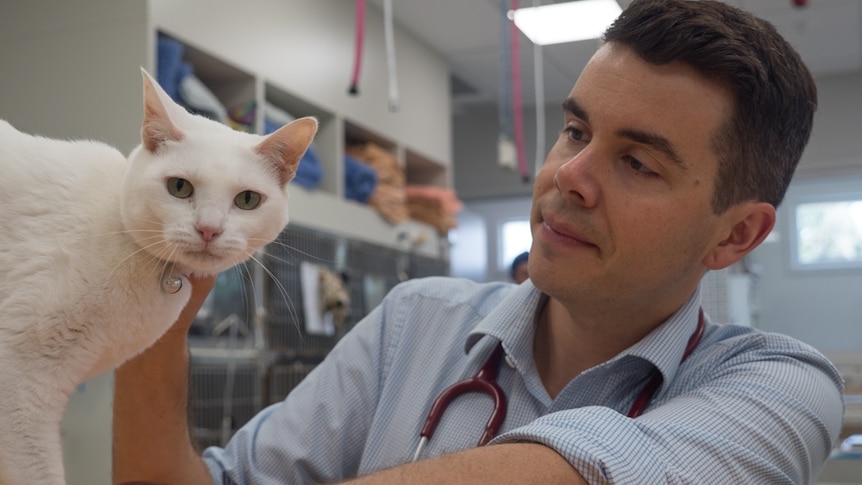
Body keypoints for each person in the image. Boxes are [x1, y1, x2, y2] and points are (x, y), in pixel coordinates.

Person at [113, 1, 845, 483]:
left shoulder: (779, 386)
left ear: (737, 233)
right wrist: (155, 303)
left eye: (638, 162)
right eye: (576, 131)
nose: (567, 175)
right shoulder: (415, 321)